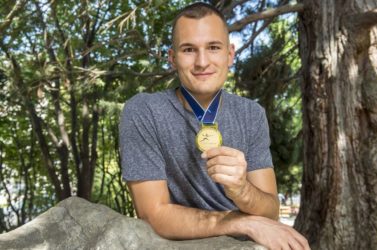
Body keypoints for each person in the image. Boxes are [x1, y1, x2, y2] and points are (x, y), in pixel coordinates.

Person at [119, 2, 310, 249]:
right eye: (189, 49)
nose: (202, 62)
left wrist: (241, 189)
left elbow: (270, 209)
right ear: (172, 58)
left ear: (229, 55)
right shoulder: (144, 111)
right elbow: (153, 214)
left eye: (213, 48)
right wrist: (244, 223)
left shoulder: (251, 114)